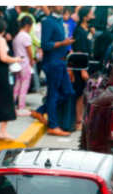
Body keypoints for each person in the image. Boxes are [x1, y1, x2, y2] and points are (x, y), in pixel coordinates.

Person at [31, 6, 75, 137]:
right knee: (54, 94)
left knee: (68, 92)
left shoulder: (59, 21)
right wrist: (63, 43)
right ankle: (53, 126)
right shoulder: (47, 22)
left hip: (61, 61)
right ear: (50, 6)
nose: (61, 6)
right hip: (53, 62)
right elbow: (45, 45)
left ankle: (40, 111)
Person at [72, 7, 96, 131]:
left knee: (85, 93)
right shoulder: (79, 31)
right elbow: (79, 51)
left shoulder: (87, 30)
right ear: (85, 16)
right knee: (80, 93)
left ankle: (82, 118)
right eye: (91, 13)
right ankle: (78, 120)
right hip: (82, 66)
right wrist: (82, 70)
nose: (93, 15)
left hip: (88, 64)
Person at [13, 16, 35, 117]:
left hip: (17, 64)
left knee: (17, 85)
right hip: (25, 64)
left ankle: (13, 106)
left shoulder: (17, 36)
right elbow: (29, 50)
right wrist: (32, 59)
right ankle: (21, 108)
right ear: (27, 26)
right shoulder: (26, 36)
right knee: (24, 86)